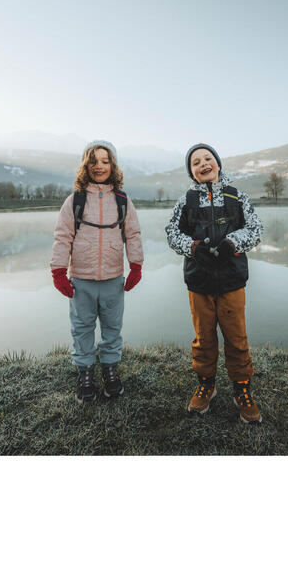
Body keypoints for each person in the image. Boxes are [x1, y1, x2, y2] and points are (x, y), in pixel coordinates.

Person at [165, 143, 264, 423]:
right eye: (196, 162)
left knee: (236, 338)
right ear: (192, 172)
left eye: (208, 158)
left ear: (218, 164)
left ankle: (242, 389)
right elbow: (172, 233)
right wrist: (193, 248)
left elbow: (256, 229)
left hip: (232, 280)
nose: (203, 163)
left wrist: (232, 242)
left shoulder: (237, 197)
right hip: (199, 281)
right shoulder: (186, 201)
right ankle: (206, 384)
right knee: (203, 338)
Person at [50, 140, 144, 404]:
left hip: (114, 277)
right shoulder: (75, 201)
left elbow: (133, 234)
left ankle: (110, 371)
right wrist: (58, 271)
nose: (99, 166)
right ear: (85, 166)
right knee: (82, 328)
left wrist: (136, 265)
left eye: (105, 161)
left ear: (112, 166)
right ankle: (86, 373)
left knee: (113, 328)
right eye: (94, 161)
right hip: (81, 279)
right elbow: (62, 237)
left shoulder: (123, 201)